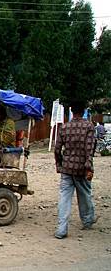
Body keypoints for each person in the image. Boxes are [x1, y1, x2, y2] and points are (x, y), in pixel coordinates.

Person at [54, 101, 97, 239]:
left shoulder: (65, 127)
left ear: (72, 111)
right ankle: (87, 220)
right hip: (81, 168)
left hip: (67, 168)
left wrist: (59, 164)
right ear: (83, 111)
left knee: (64, 198)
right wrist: (89, 167)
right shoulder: (89, 126)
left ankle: (61, 229)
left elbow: (57, 149)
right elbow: (89, 149)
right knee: (84, 194)